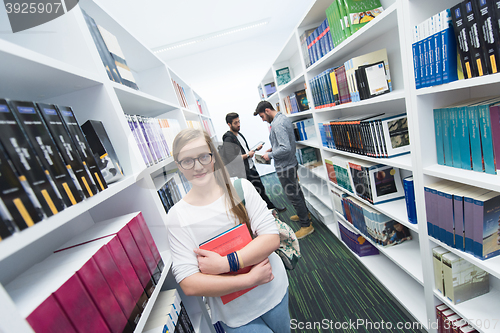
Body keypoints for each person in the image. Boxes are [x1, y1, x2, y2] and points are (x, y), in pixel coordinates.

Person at [166, 128, 290, 333]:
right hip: (236, 314)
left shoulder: (241, 188)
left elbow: (271, 238)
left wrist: (225, 264)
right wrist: (249, 279)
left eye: (203, 157)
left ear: (213, 157)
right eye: (187, 161)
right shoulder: (177, 216)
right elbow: (189, 283)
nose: (197, 166)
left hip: (272, 289)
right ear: (179, 166)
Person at [254, 101, 314, 239]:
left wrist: (269, 155)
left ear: (267, 110)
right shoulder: (282, 118)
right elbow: (283, 144)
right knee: (297, 192)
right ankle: (304, 214)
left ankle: (306, 226)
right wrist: (273, 148)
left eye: (262, 116)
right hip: (290, 163)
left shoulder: (277, 124)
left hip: (285, 167)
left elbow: (285, 148)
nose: (263, 120)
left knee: (293, 196)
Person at [221, 112, 286, 213]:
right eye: (235, 123)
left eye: (239, 121)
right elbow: (231, 159)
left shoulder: (239, 134)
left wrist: (254, 149)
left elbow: (244, 151)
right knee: (254, 195)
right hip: (244, 172)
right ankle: (265, 212)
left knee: (261, 189)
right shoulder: (228, 138)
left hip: (251, 167)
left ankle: (271, 209)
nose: (238, 125)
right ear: (229, 124)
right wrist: (247, 155)